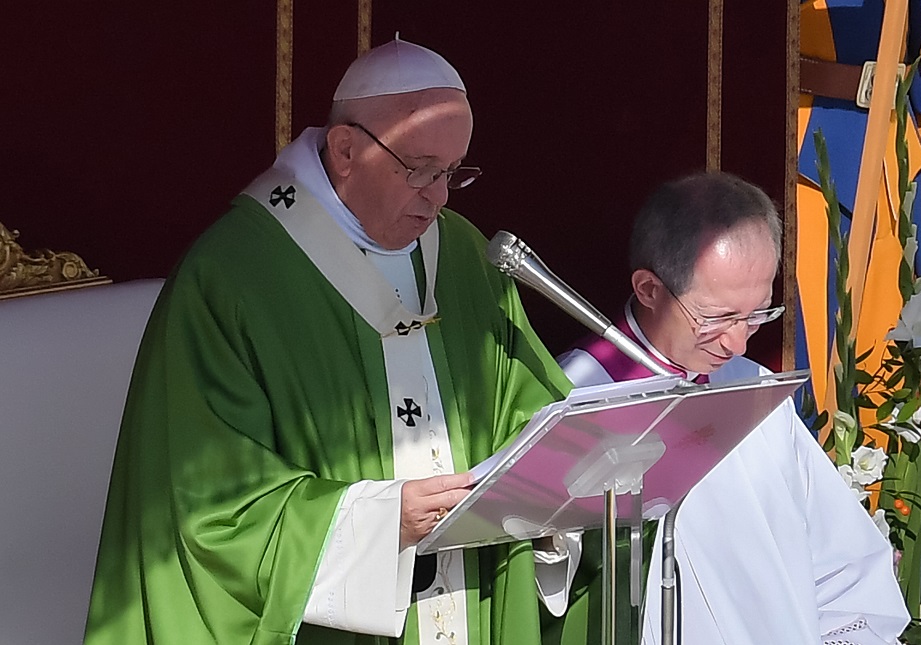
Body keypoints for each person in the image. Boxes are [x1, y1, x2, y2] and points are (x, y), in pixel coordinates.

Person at [84, 38, 581, 645]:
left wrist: (552, 489)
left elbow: (525, 410)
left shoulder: (462, 256)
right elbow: (204, 509)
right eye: (421, 169)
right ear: (346, 150)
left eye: (454, 173)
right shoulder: (236, 276)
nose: (440, 196)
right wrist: (379, 524)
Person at [558, 172, 911, 644]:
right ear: (649, 289)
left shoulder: (751, 389)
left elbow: (843, 568)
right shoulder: (578, 398)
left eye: (758, 313)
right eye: (718, 317)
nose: (738, 341)